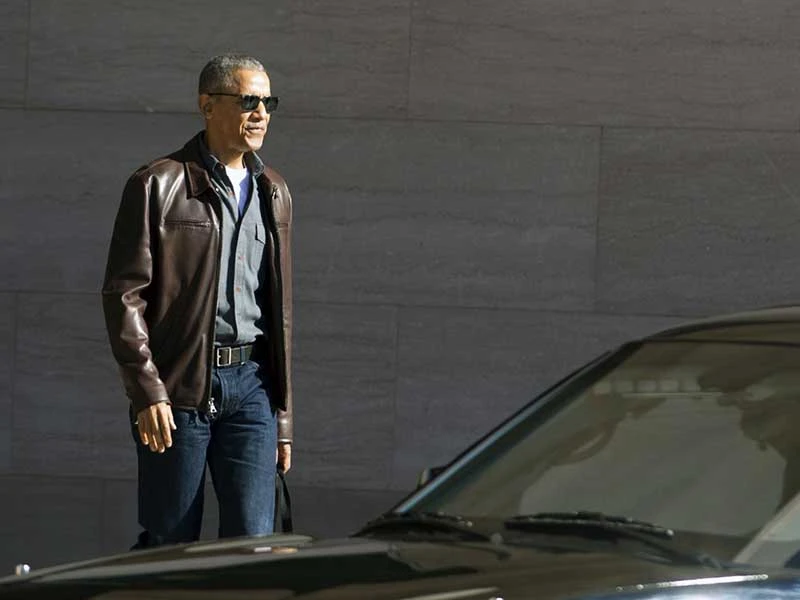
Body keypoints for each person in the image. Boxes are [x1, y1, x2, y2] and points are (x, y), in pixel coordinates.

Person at [101, 54, 293, 547]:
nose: (261, 113)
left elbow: (280, 312)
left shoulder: (273, 191)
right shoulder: (157, 184)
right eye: (247, 101)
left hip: (252, 387)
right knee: (171, 544)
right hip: (180, 387)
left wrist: (283, 420)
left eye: (268, 102)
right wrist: (147, 391)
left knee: (253, 545)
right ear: (207, 105)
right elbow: (124, 296)